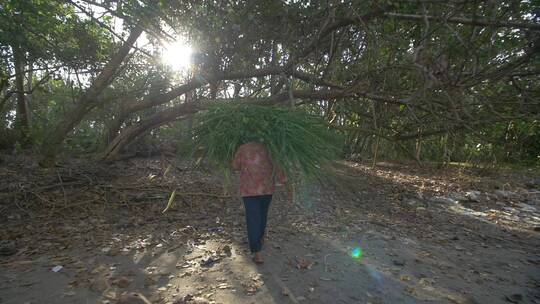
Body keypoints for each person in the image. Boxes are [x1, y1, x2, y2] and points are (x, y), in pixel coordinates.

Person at [232, 141, 293, 264]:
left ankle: (257, 252)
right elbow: (279, 168)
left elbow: (235, 166)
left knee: (253, 218)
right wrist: (287, 187)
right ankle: (260, 239)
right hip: (267, 189)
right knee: (262, 214)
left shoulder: (243, 148)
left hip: (249, 190)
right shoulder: (271, 148)